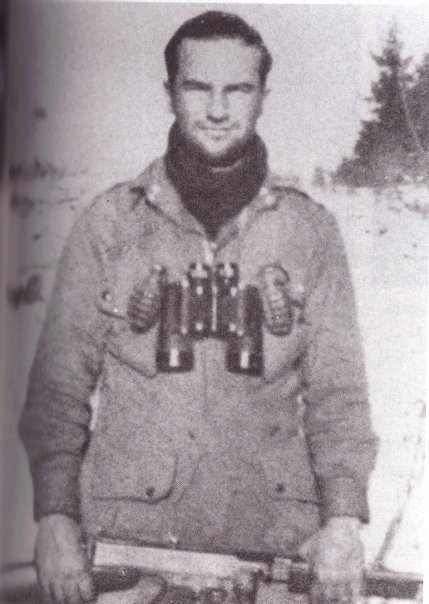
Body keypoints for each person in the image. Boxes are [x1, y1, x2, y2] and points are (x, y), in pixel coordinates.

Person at [19, 10, 378, 604]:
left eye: (237, 89)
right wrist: (55, 518)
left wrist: (342, 521)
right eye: (198, 87)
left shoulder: (310, 234)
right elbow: (58, 393)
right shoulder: (109, 227)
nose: (217, 109)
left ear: (263, 95)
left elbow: (339, 397)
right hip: (129, 555)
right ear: (170, 94)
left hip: (273, 553)